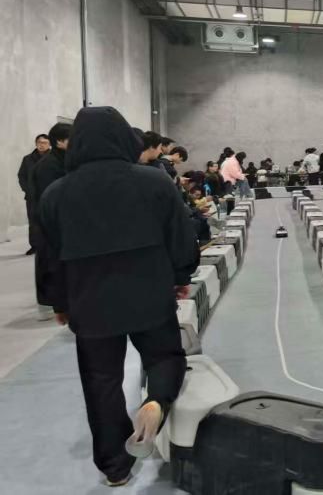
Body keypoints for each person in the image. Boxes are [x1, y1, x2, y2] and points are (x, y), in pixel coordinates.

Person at [38, 107, 197, 487]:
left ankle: (115, 467)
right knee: (164, 357)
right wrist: (180, 276)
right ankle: (156, 401)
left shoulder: (56, 194)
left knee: (101, 381)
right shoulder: (154, 182)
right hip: (149, 293)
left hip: (89, 302)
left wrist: (58, 302)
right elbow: (180, 234)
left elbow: (48, 257)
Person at [30, 123, 71, 320]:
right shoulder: (49, 165)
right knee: (50, 263)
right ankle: (52, 303)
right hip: (50, 222)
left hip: (58, 220)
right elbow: (51, 198)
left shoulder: (61, 159)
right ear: (60, 142)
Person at [18, 133, 51, 255]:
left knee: (49, 221)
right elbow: (21, 175)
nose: (41, 145)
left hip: (49, 196)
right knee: (33, 223)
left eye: (44, 143)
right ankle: (35, 246)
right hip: (32, 197)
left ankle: (50, 245)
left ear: (49, 144)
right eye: (39, 142)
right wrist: (27, 189)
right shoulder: (27, 159)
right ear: (36, 143)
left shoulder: (53, 158)